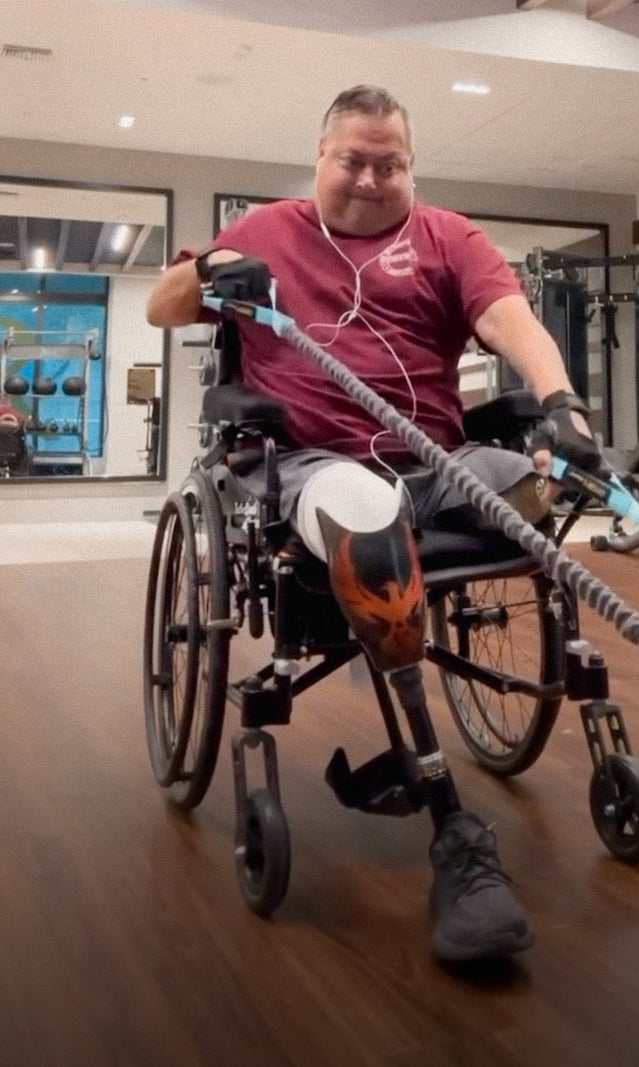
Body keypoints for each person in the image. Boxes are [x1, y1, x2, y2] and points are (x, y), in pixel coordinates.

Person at [147, 84, 600, 964]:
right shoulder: (268, 231)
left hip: (437, 461)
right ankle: (454, 831)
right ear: (320, 156)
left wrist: (563, 407)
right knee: (365, 511)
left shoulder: (446, 236)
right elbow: (165, 308)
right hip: (312, 467)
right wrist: (208, 275)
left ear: (411, 166)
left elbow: (512, 320)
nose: (370, 177)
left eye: (390, 163)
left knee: (540, 488)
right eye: (353, 159)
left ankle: (544, 498)